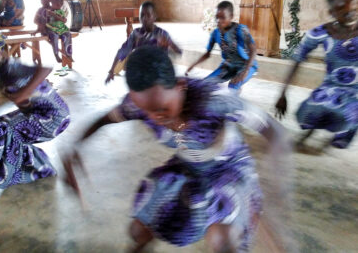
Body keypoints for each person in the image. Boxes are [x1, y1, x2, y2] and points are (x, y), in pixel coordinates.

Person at [64, 46, 290, 252]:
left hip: (228, 168)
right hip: (187, 166)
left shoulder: (214, 100)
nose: (155, 118)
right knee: (139, 230)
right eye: (147, 110)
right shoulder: (140, 105)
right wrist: (74, 148)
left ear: (180, 87)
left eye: (162, 108)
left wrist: (277, 189)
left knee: (223, 242)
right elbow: (105, 120)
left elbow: (275, 131)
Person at [0, 29, 70, 189]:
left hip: (53, 117)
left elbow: (45, 69)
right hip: (35, 114)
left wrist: (23, 93)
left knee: (1, 132)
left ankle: (33, 169)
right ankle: (36, 164)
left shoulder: (11, 68)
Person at [275, 0, 357, 150]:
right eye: (341, 7)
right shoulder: (322, 32)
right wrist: (283, 93)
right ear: (331, 12)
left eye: (350, 4)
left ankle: (343, 131)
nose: (348, 10)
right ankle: (311, 131)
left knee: (349, 115)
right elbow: (297, 60)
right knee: (307, 114)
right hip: (330, 88)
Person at [186, 1, 258, 91]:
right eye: (217, 18)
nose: (219, 21)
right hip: (229, 65)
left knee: (233, 86)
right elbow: (207, 53)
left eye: (223, 18)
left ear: (231, 16)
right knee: (205, 84)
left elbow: (253, 49)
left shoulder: (241, 30)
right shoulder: (215, 33)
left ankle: (235, 96)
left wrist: (246, 71)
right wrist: (193, 65)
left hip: (246, 65)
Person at [105, 1, 182, 84]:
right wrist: (112, 70)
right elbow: (122, 51)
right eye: (142, 15)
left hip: (158, 76)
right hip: (142, 76)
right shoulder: (136, 34)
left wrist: (169, 46)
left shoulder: (162, 34)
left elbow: (178, 52)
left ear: (154, 17)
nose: (144, 18)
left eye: (148, 15)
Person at [45, 0, 73, 68]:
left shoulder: (61, 12)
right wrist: (48, 14)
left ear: (58, 5)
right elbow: (46, 20)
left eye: (53, 4)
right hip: (53, 29)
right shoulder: (50, 11)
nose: (51, 5)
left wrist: (54, 15)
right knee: (54, 37)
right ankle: (56, 54)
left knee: (68, 34)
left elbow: (64, 20)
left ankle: (68, 54)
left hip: (61, 29)